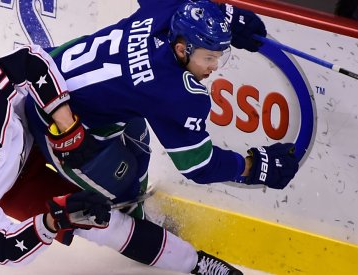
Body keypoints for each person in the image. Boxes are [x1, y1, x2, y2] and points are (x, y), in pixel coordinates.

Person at [0, 43, 244, 273]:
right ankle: (194, 263)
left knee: (117, 122)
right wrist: (56, 221)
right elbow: (5, 251)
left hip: (37, 128)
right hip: (15, 188)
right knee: (99, 225)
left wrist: (68, 124)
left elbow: (31, 61)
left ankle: (134, 204)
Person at [25, 0, 300, 215]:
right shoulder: (175, 93)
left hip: (48, 73)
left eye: (219, 56)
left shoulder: (168, 9)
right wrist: (255, 166)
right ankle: (137, 223)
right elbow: (199, 166)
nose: (214, 67)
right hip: (56, 122)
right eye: (208, 57)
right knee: (123, 196)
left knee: (139, 142)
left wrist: (219, 15)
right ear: (182, 50)